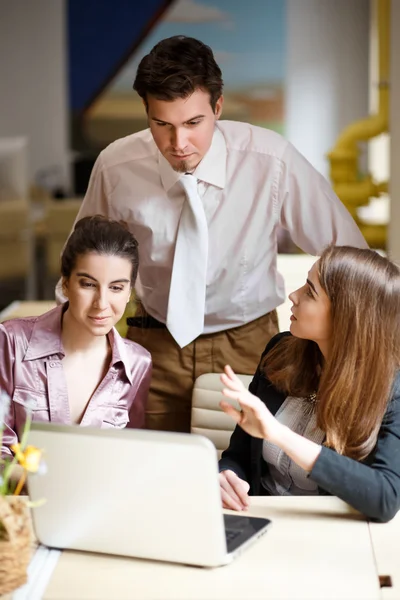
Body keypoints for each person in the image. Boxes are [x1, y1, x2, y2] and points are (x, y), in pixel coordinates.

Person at [57, 35, 367, 433]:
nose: (178, 143)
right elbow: (80, 259)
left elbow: (351, 257)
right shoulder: (117, 165)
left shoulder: (271, 160)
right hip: (153, 343)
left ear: (217, 107)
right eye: (161, 124)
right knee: (146, 472)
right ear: (146, 111)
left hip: (252, 345)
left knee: (250, 478)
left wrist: (350, 350)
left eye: (193, 123)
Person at [218, 246, 400, 523]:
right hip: (257, 521)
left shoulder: (392, 387)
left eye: (310, 292)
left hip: (332, 536)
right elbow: (239, 456)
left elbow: (386, 498)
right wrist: (228, 476)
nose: (293, 296)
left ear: (347, 315)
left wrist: (279, 434)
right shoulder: (280, 351)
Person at [1, 216, 152, 459]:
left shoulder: (138, 363)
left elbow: (128, 457)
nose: (101, 303)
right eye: (88, 284)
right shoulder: (11, 341)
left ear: (128, 293)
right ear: (66, 283)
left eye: (116, 287)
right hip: (21, 496)